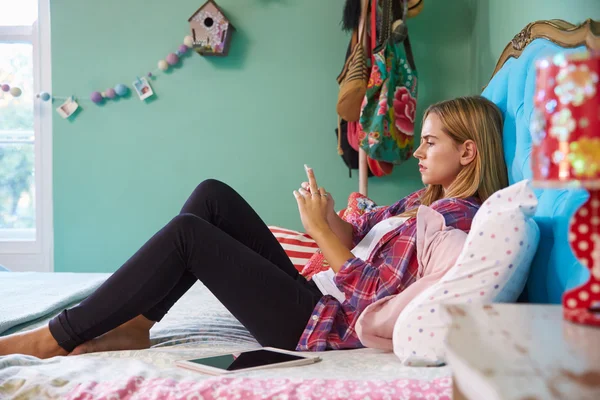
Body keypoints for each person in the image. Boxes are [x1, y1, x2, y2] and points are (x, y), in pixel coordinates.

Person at [0, 96, 508, 359]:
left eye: (430, 143)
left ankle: (56, 338)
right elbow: (365, 235)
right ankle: (138, 325)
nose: (418, 152)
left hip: (322, 325)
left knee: (189, 235)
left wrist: (322, 235)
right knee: (211, 196)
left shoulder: (456, 222)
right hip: (316, 293)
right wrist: (328, 215)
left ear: (468, 152)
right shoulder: (423, 200)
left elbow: (375, 302)